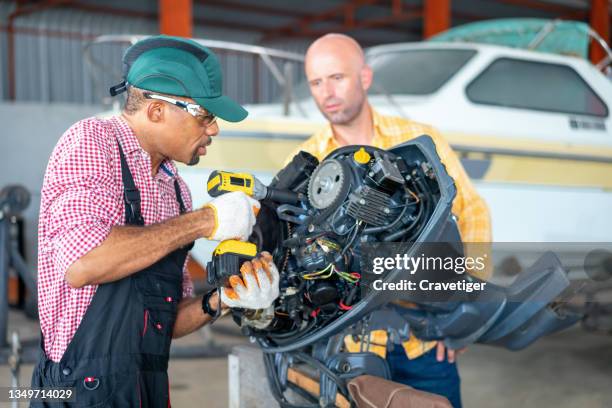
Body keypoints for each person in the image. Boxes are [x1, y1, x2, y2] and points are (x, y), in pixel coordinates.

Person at [31, 35, 279, 407]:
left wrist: (224, 299)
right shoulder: (92, 142)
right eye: (205, 116)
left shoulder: (174, 188)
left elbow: (168, 319)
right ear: (157, 110)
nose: (213, 130)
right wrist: (205, 221)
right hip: (76, 392)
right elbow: (84, 264)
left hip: (146, 390)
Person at [289, 33, 492, 408]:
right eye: (316, 82)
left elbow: (473, 212)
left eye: (337, 78)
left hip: (424, 344)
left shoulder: (418, 140)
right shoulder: (309, 164)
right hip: (348, 348)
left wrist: (461, 311)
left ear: (364, 78)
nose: (326, 92)